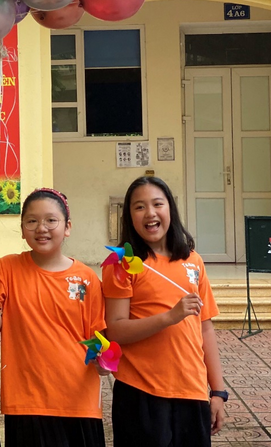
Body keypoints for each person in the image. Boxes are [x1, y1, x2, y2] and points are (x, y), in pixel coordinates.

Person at [0, 188, 107, 447]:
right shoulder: (7, 269)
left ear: (67, 227)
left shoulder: (87, 278)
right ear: (22, 229)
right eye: (32, 221)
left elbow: (98, 337)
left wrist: (103, 360)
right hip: (26, 402)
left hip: (79, 402)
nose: (41, 228)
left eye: (51, 220)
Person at [104, 176, 226, 447]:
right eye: (139, 207)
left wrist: (218, 391)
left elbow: (205, 327)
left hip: (191, 390)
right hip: (140, 392)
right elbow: (116, 329)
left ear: (170, 208)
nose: (150, 213)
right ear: (129, 216)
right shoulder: (122, 264)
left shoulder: (193, 261)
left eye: (157, 204)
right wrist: (169, 317)